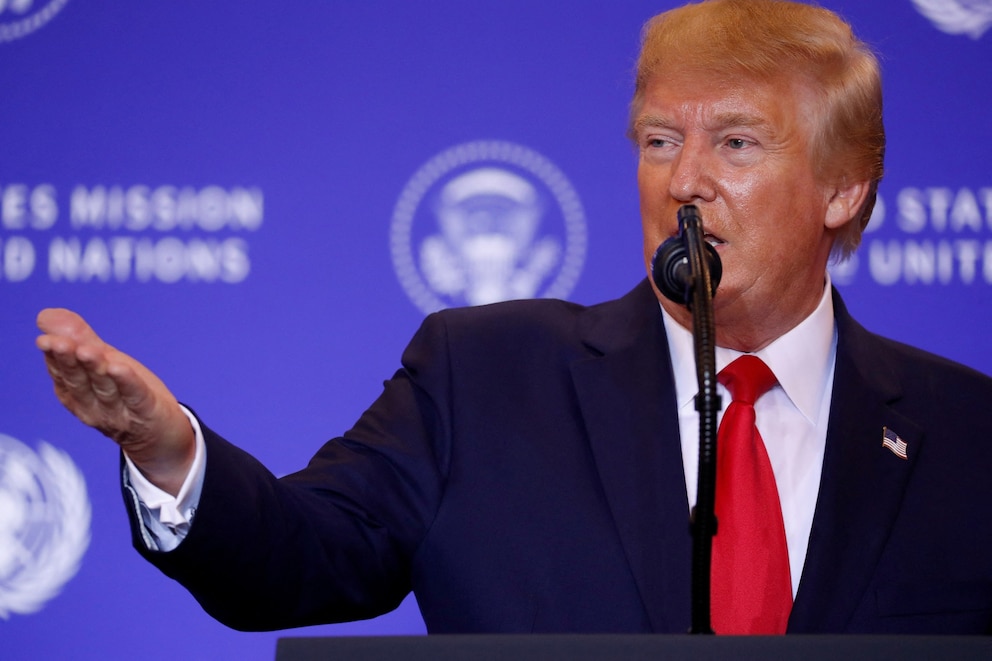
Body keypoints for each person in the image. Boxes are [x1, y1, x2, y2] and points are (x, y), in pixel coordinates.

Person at [35, 0, 992, 635]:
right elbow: (298, 554)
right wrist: (169, 454)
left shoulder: (967, 435)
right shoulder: (483, 377)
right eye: (660, 141)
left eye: (736, 142)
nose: (684, 181)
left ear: (844, 187)